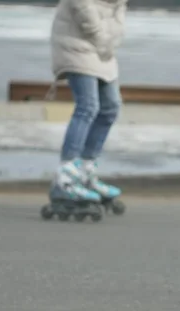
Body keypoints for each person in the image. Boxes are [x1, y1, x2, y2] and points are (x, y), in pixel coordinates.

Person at [47, 0, 128, 205]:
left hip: (102, 49)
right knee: (87, 107)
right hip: (77, 45)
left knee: (110, 108)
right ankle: (65, 177)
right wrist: (100, 35)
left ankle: (85, 170)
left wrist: (109, 41)